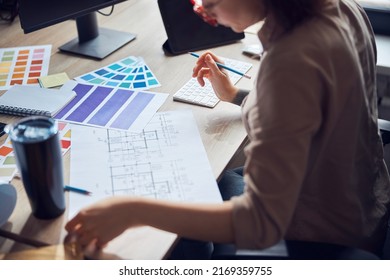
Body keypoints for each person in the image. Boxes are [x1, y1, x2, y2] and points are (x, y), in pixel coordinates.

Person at [65, 0, 390, 259]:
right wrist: (234, 95)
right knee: (221, 179)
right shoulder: (343, 9)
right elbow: (312, 107)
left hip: (319, 235)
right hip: (361, 206)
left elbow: (260, 223)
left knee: (175, 223)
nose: (202, 10)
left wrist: (133, 210)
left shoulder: (291, 60)